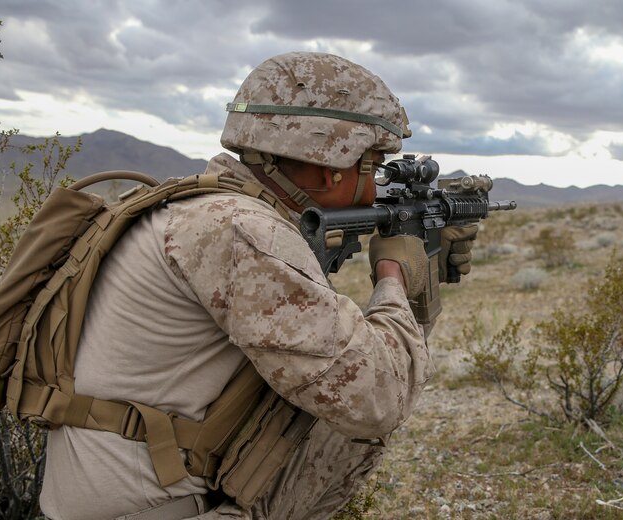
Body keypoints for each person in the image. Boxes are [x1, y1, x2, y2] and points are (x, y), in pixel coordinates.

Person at [39, 51, 476, 520]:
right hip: (161, 510)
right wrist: (397, 277)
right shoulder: (245, 230)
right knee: (355, 399)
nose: (374, 190)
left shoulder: (196, 205)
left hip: (130, 502)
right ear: (333, 166)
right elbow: (377, 396)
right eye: (372, 166)